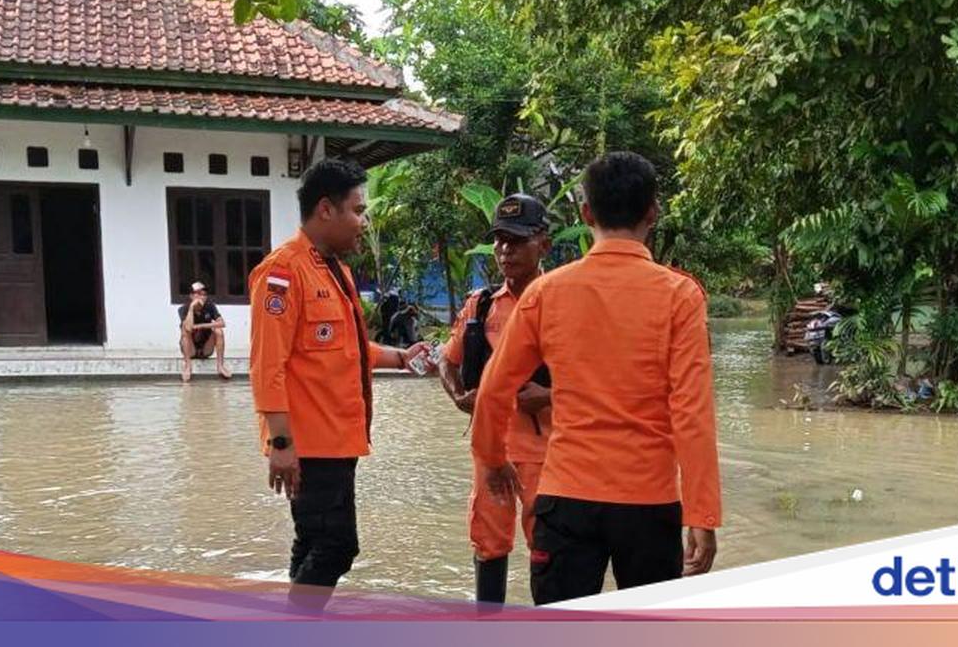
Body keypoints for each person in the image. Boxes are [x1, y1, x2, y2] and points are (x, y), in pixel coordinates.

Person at [470, 151, 722, 605]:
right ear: (653, 213)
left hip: (566, 498)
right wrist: (702, 515)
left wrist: (491, 460)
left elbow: (492, 390)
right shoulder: (680, 296)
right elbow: (693, 415)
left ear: (586, 213)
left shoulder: (548, 293)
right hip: (650, 503)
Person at [248, 159, 432, 611]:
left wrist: (399, 358)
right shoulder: (283, 274)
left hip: (338, 440)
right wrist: (282, 442)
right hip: (310, 445)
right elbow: (266, 365)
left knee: (312, 540)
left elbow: (345, 348)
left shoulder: (334, 271)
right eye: (357, 210)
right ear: (326, 210)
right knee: (337, 547)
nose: (364, 222)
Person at [439, 194, 553, 604]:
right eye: (500, 240)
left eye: (517, 240)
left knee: (548, 549)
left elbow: (605, 382)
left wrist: (551, 396)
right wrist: (459, 397)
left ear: (544, 244)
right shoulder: (481, 304)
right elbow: (446, 361)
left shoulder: (564, 300)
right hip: (491, 453)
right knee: (488, 543)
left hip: (549, 454)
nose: (505, 250)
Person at [177, 281, 231, 382]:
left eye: (204, 294)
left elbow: (222, 323)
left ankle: (220, 366)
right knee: (184, 329)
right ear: (191, 296)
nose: (202, 297)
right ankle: (188, 366)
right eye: (198, 294)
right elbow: (188, 328)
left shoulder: (210, 306)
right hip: (190, 350)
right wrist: (192, 308)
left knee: (218, 330)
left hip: (206, 349)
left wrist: (201, 326)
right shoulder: (184, 308)